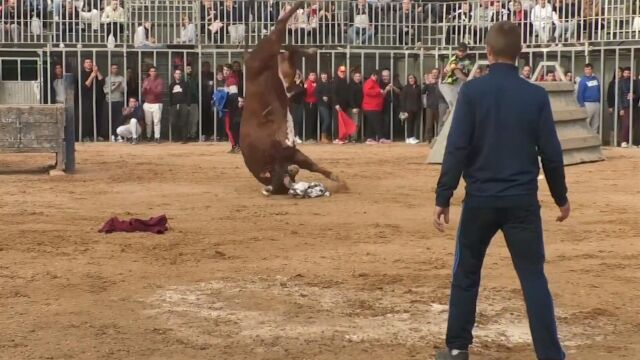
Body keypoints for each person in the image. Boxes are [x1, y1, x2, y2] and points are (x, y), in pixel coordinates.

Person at [433, 21, 568, 360]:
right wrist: (560, 197)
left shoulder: (472, 93)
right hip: (522, 201)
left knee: (466, 273)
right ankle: (550, 355)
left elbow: (457, 148)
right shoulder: (536, 95)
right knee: (533, 278)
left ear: (488, 52)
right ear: (519, 54)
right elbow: (551, 153)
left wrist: (444, 196)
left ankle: (457, 349)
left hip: (480, 199)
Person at [440, 42, 472, 117]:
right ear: (456, 51)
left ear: (466, 51)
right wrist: (469, 80)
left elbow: (472, 69)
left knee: (458, 106)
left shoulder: (466, 61)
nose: (461, 53)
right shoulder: (454, 60)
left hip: (455, 85)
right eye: (459, 51)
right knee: (455, 108)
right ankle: (448, 117)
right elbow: (458, 74)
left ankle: (449, 113)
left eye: (463, 51)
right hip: (447, 85)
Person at [80, 58, 104, 141]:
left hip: (97, 99)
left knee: (97, 117)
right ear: (84, 64)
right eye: (87, 62)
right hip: (86, 99)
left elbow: (102, 82)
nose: (89, 63)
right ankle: (85, 136)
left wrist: (96, 72)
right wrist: (92, 76)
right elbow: (85, 86)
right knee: (87, 118)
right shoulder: (81, 74)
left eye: (90, 62)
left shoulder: (96, 72)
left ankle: (96, 135)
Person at [362, 70, 388, 144]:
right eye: (376, 75)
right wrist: (378, 91)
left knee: (371, 123)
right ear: (373, 75)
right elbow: (367, 91)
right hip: (371, 107)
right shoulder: (370, 82)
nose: (377, 77)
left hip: (373, 106)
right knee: (377, 123)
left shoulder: (373, 82)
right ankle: (381, 138)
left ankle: (369, 138)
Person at [102, 64, 126, 141]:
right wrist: (116, 86)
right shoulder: (107, 79)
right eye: (113, 68)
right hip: (110, 101)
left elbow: (124, 90)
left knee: (119, 119)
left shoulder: (122, 78)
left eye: (116, 68)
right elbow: (106, 91)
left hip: (119, 100)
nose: (115, 69)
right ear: (110, 69)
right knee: (110, 119)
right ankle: (111, 135)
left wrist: (121, 86)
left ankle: (118, 135)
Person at [142, 66, 165, 143]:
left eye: (154, 71)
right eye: (151, 71)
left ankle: (157, 137)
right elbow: (143, 92)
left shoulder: (160, 81)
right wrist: (145, 88)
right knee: (148, 122)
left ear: (156, 72)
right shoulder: (146, 80)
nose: (153, 72)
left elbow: (159, 92)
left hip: (157, 103)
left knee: (157, 121)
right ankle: (148, 136)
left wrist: (149, 88)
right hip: (147, 103)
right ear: (149, 72)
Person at [576, 63, 601, 134]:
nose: (587, 71)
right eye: (586, 69)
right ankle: (585, 138)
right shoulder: (583, 81)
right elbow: (579, 94)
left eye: (589, 69)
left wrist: (599, 101)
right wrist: (582, 105)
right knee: (587, 121)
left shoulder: (596, 79)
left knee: (596, 122)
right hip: (587, 103)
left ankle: (594, 139)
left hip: (596, 103)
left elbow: (598, 90)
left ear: (592, 70)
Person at [168, 69, 191, 144]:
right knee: (174, 122)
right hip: (174, 105)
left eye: (180, 73)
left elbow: (188, 95)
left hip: (183, 104)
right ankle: (176, 138)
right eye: (177, 73)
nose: (178, 75)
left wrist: (188, 105)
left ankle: (184, 139)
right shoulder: (171, 85)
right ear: (174, 75)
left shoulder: (185, 84)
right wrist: (171, 105)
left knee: (184, 122)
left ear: (181, 75)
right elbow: (170, 96)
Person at [399, 74, 422, 144]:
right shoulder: (406, 88)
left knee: (416, 123)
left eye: (412, 78)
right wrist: (403, 110)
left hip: (416, 108)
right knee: (410, 124)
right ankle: (409, 137)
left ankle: (412, 137)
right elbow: (402, 99)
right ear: (408, 80)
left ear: (415, 79)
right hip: (408, 109)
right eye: (410, 78)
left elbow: (419, 97)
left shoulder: (418, 87)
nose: (411, 80)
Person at [331, 65, 351, 144]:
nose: (343, 73)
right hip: (337, 105)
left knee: (343, 122)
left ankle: (342, 137)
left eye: (344, 72)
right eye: (341, 71)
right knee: (337, 122)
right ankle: (336, 138)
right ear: (338, 72)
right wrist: (336, 104)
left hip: (343, 105)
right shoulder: (336, 81)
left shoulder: (344, 80)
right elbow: (333, 93)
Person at [316, 72, 333, 143]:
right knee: (327, 120)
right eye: (322, 75)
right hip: (321, 105)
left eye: (325, 75)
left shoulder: (329, 84)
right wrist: (322, 97)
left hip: (328, 105)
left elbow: (332, 93)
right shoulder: (319, 84)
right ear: (320, 76)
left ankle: (326, 136)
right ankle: (323, 137)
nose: (324, 76)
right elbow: (316, 94)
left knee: (326, 120)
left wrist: (328, 97)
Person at [290, 71, 306, 144]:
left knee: (298, 119)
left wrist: (302, 86)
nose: (297, 76)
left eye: (298, 75)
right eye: (295, 75)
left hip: (300, 103)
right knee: (292, 120)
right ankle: (292, 136)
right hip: (293, 104)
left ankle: (296, 136)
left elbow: (304, 92)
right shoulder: (291, 83)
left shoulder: (302, 83)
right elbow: (292, 93)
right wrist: (297, 85)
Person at [349, 71, 364, 142]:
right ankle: (353, 138)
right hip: (353, 108)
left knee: (358, 123)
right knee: (355, 123)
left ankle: (355, 137)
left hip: (359, 107)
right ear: (353, 77)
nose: (358, 78)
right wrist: (354, 107)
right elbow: (350, 97)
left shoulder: (360, 85)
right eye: (356, 76)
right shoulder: (351, 85)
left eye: (359, 76)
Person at [303, 72, 318, 142]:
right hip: (309, 103)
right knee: (310, 120)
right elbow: (308, 93)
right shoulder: (308, 83)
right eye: (312, 75)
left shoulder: (313, 83)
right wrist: (315, 87)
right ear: (308, 76)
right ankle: (309, 137)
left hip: (313, 103)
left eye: (314, 75)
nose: (313, 76)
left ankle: (312, 137)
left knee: (313, 120)